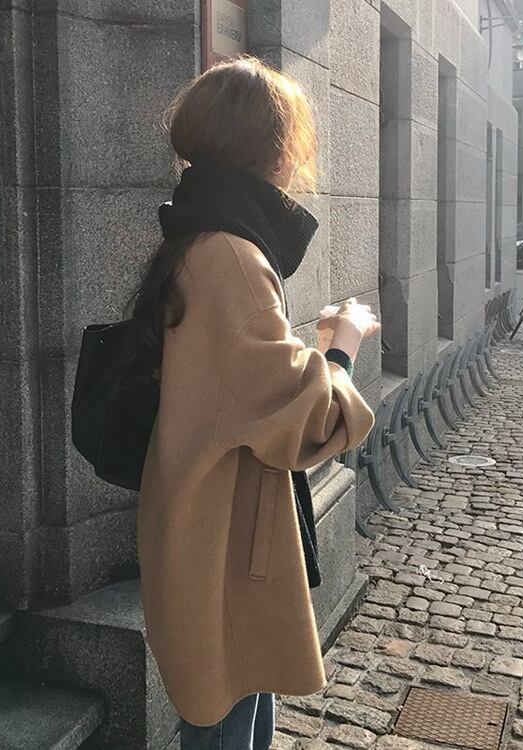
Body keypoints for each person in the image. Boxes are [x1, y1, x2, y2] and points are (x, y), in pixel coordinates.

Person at [129, 55, 380, 750]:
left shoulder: (199, 233)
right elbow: (307, 419)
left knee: (233, 704)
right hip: (219, 534)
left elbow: (241, 386)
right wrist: (343, 344)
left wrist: (312, 350)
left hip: (214, 521)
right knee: (225, 716)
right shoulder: (231, 255)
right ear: (272, 149)